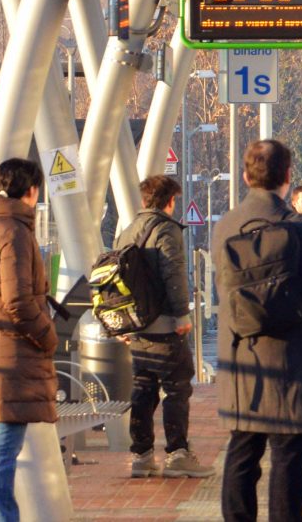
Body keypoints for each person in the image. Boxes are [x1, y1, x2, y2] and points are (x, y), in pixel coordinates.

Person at [213, 140, 302, 522]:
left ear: (246, 177)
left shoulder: (226, 226)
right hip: (291, 359)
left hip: (242, 357)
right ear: (287, 177)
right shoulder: (298, 227)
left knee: (243, 450)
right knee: (289, 457)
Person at [0, 158, 55, 521]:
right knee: (2, 455)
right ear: (31, 190)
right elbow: (18, 300)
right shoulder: (15, 232)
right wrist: (48, 336)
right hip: (14, 355)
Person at [116, 175, 215, 479]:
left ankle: (142, 456)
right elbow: (174, 274)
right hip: (163, 325)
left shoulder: (127, 231)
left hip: (138, 327)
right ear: (170, 200)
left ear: (145, 199)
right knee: (176, 388)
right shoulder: (166, 230)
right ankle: (177, 454)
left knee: (143, 389)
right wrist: (182, 316)